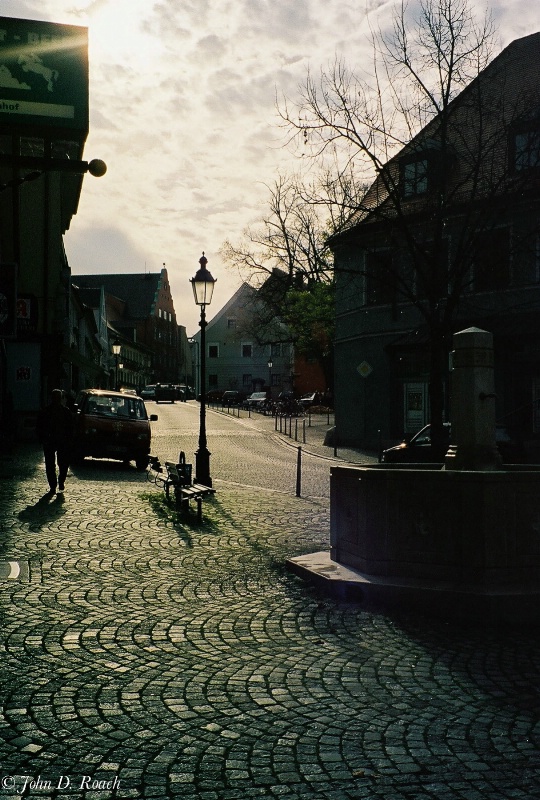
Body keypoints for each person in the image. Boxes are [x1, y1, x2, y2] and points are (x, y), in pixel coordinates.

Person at [36, 389, 74, 494]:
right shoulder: (66, 412)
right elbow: (71, 428)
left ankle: (53, 485)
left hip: (51, 440)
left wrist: (41, 439)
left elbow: (39, 427)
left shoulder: (46, 411)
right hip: (61, 440)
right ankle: (60, 481)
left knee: (51, 464)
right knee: (62, 463)